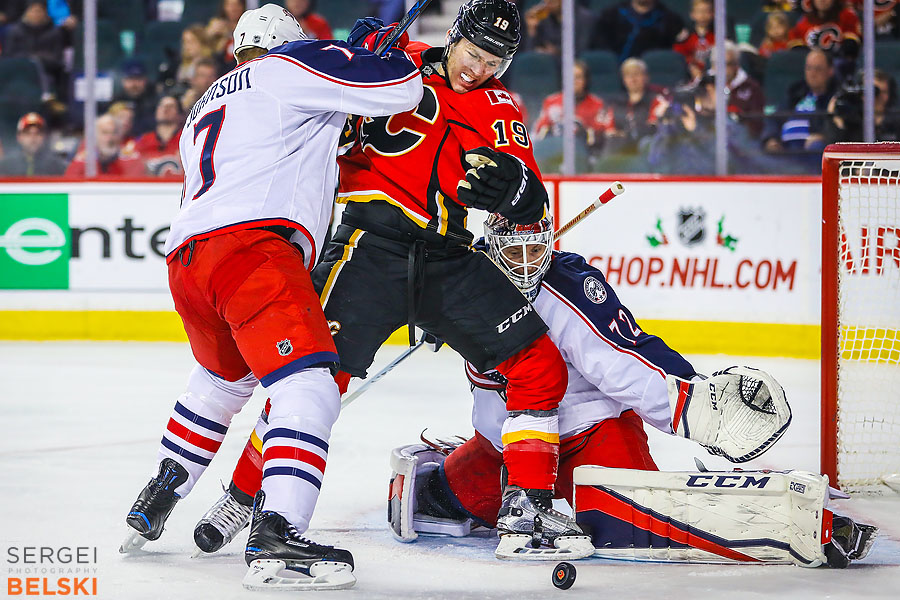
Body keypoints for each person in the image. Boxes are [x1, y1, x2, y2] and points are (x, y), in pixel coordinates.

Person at [190, 0, 583, 560]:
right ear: (454, 37)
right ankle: (245, 496)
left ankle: (527, 507)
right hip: (366, 249)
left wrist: (521, 194)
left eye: (494, 61)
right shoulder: (392, 60)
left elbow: (531, 201)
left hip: (448, 256)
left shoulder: (500, 108)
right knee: (311, 382)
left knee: (538, 364)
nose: (479, 69)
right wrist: (351, 55)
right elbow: (314, 98)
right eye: (474, 53)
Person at [119, 3, 422, 591]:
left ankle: (161, 490)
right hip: (252, 250)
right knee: (309, 386)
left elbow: (309, 134)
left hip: (190, 263)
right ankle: (279, 533)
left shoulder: (207, 103)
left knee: (220, 382)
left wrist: (354, 60)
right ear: (291, 44)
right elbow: (401, 92)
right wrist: (365, 57)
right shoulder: (291, 67)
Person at [383, 214, 877, 569]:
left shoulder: (567, 287)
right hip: (506, 450)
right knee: (435, 498)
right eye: (516, 252)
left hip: (590, 437)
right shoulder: (470, 283)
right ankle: (465, 474)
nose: (529, 264)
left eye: (538, 249)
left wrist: (696, 406)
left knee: (640, 523)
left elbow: (626, 359)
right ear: (493, 247)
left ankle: (793, 515)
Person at [762, 48, 836, 156]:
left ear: (830, 71)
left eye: (818, 69)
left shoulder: (834, 98)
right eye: (809, 68)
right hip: (784, 151)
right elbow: (774, 118)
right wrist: (771, 139)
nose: (812, 74)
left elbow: (838, 129)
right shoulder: (796, 93)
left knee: (817, 146)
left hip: (811, 152)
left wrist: (823, 136)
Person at [532, 59, 613, 152]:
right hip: (556, 154)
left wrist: (584, 131)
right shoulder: (551, 102)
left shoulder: (598, 104)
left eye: (578, 77)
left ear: (586, 80)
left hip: (587, 154)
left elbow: (606, 135)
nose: (574, 81)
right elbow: (539, 132)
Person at [589, 0, 686, 63]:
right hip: (617, 74)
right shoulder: (610, 16)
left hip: (653, 76)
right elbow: (600, 49)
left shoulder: (671, 21)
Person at [605, 57, 667, 155]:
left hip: (645, 150)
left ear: (646, 77)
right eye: (628, 75)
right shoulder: (616, 103)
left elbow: (651, 129)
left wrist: (625, 134)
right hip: (619, 150)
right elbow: (610, 132)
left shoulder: (656, 100)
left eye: (637, 74)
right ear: (623, 79)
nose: (632, 79)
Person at [65, 113, 145, 177]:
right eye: (104, 132)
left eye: (114, 132)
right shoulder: (82, 160)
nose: (110, 138)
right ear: (95, 136)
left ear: (120, 135)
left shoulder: (131, 158)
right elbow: (70, 186)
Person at [129, 94, 184, 176]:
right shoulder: (143, 140)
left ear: (180, 115)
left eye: (171, 106)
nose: (165, 109)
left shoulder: (186, 139)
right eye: (161, 106)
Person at [0, 112, 66, 176]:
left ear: (44, 137)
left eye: (38, 133)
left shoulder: (58, 167)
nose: (33, 138)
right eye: (27, 133)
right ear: (19, 137)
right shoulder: (5, 165)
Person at [672, 0, 715, 81]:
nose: (703, 15)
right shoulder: (685, 36)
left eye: (707, 11)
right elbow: (678, 56)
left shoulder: (718, 35)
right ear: (692, 14)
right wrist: (690, 67)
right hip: (690, 76)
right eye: (699, 11)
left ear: (713, 13)